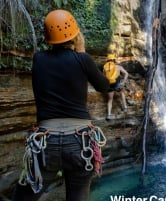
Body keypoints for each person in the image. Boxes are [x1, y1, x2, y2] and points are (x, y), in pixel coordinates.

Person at [12, 9, 109, 201]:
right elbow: (104, 86)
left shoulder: (38, 60)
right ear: (75, 34)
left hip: (46, 141)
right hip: (80, 142)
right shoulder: (83, 60)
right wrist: (82, 53)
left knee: (23, 197)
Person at [103, 54, 129, 120]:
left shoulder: (105, 67)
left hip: (109, 85)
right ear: (114, 60)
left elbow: (103, 77)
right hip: (117, 84)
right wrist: (123, 82)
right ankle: (125, 107)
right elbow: (126, 73)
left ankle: (109, 115)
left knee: (110, 100)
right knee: (122, 94)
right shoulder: (118, 67)